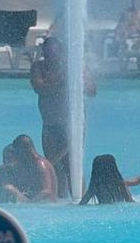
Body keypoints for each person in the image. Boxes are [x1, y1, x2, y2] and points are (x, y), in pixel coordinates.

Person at [30, 37, 97, 198]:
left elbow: (91, 90)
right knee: (53, 164)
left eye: (54, 54)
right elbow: (39, 88)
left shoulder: (74, 67)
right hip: (50, 123)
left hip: (71, 125)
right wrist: (63, 81)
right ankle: (60, 201)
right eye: (47, 54)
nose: (50, 58)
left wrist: (77, 78)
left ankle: (79, 199)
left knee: (72, 165)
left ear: (61, 53)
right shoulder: (39, 67)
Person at [9, 135, 57, 202]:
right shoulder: (29, 163)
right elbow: (7, 167)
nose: (16, 155)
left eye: (17, 152)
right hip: (37, 203)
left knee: (9, 189)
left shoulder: (40, 165)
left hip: (44, 205)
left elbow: (47, 192)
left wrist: (29, 204)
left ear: (25, 149)